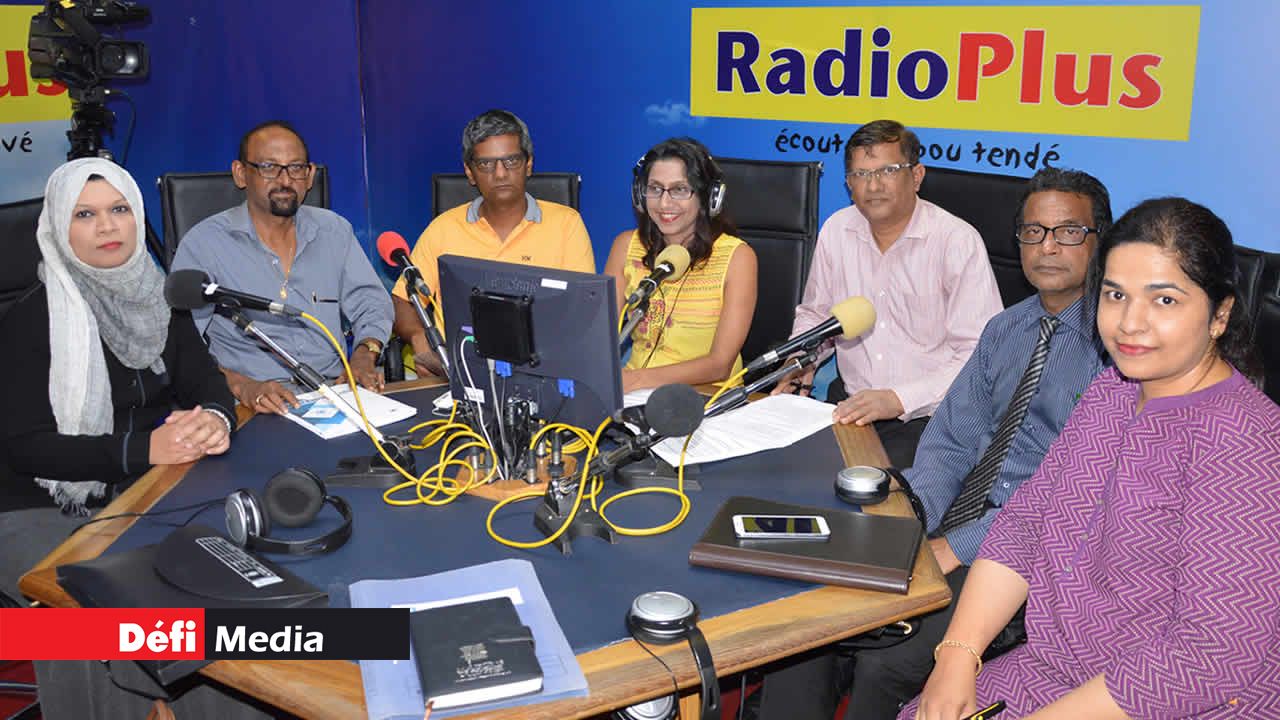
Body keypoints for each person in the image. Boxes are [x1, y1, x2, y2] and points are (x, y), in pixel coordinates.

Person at [752, 168, 1112, 720]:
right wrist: (913, 522)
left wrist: (955, 547)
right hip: (948, 519)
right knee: (809, 622)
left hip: (1028, 551)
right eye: (1033, 232)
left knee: (888, 663)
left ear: (1099, 240)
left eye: (1067, 232)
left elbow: (1067, 497)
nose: (1047, 247)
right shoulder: (1005, 330)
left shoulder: (1115, 350)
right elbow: (951, 441)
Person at [907, 197, 1280, 719]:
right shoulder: (1112, 392)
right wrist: (957, 655)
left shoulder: (1245, 444)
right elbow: (1026, 525)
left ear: (1220, 314)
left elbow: (1210, 655)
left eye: (1164, 300)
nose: (1130, 323)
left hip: (1182, 701)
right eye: (1115, 294)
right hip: (1059, 668)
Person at [0, 158, 235, 605]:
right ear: (59, 227)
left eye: (119, 209)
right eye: (85, 214)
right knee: (108, 609)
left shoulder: (160, 296)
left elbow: (205, 380)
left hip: (139, 486)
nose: (107, 226)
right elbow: (26, 448)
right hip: (38, 502)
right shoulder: (31, 318)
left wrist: (215, 420)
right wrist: (145, 449)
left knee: (223, 572)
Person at [775, 120, 1002, 468]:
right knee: (789, 471)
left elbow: (979, 355)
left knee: (876, 492)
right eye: (861, 174)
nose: (874, 185)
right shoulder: (837, 229)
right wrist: (800, 359)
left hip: (931, 418)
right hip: (850, 406)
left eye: (888, 171)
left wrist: (898, 399)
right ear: (848, 184)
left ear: (917, 176)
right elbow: (817, 316)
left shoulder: (956, 241)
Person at [172, 120, 393, 415]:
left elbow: (371, 303)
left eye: (296, 168)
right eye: (269, 167)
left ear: (310, 175)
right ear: (240, 173)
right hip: (252, 406)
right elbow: (182, 348)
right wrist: (242, 386)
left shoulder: (334, 231)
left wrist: (365, 354)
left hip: (334, 396)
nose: (285, 180)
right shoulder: (204, 244)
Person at [391, 109, 594, 376]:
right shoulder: (443, 229)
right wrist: (419, 337)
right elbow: (403, 300)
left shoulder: (566, 224)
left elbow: (583, 311)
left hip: (541, 372)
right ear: (470, 172)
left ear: (528, 165)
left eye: (511, 161)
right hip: (457, 374)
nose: (500, 173)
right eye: (486, 164)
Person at [603, 137, 757, 393]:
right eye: (655, 188)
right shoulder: (626, 246)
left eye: (680, 190)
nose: (664, 203)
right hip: (634, 394)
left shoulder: (738, 258)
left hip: (705, 396)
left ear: (709, 197)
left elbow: (720, 364)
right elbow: (600, 335)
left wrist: (636, 379)